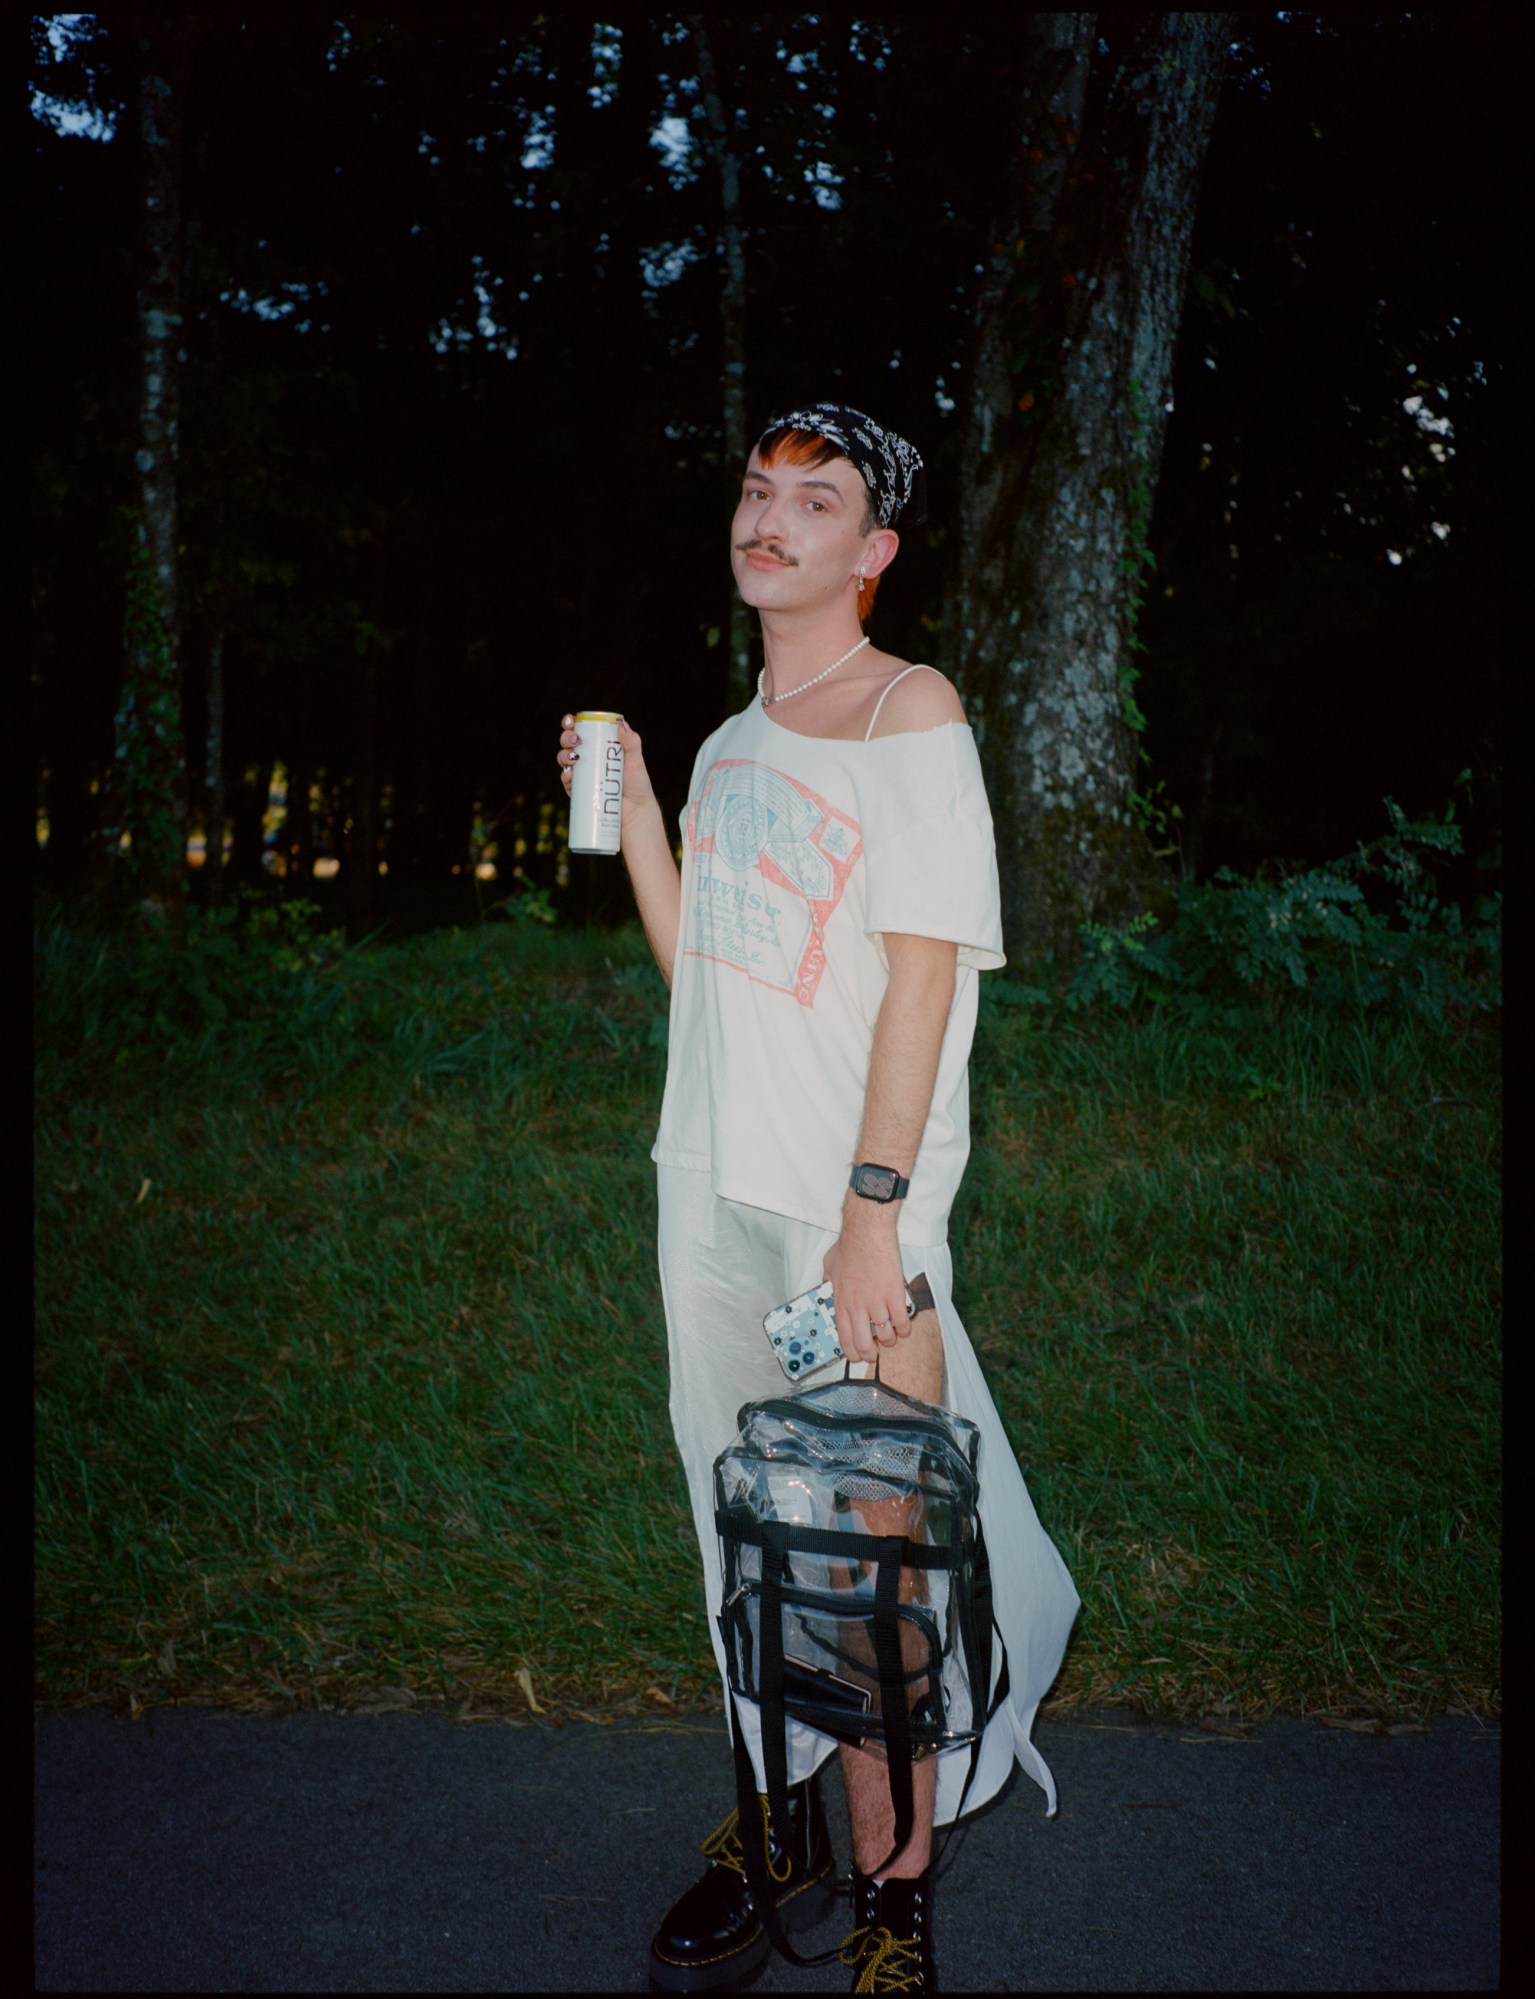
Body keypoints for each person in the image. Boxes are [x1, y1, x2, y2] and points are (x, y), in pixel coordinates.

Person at [557, 402, 1079, 1994]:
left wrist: (874, 1212)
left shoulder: (907, 713)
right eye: (757, 491)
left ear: (876, 551)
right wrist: (645, 814)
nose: (770, 519)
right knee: (752, 1529)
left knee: (880, 1549)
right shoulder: (729, 742)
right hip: (708, 1190)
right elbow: (703, 978)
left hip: (847, 1209)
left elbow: (926, 971)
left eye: (817, 500)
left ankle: (897, 1890)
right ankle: (782, 1822)